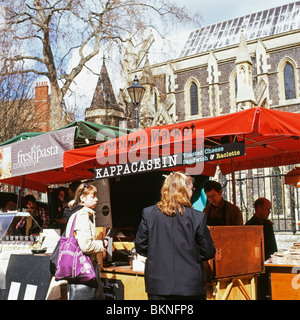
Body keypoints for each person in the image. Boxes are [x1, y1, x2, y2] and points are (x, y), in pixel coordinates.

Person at [134, 171, 216, 300]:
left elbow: (140, 246)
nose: (193, 192)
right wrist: (190, 254)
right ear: (185, 191)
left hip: (158, 285)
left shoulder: (149, 214)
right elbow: (208, 252)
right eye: (192, 189)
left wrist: (157, 254)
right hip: (190, 286)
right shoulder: (197, 217)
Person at [65, 183, 107, 300]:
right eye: (93, 196)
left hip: (75, 267)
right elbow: (85, 246)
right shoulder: (83, 215)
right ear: (82, 198)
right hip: (85, 267)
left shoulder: (74, 214)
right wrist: (102, 244)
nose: (97, 199)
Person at [245, 198, 277, 300]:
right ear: (259, 209)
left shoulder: (268, 225)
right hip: (256, 268)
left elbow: (273, 247)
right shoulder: (249, 226)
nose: (269, 212)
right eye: (267, 209)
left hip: (269, 266)